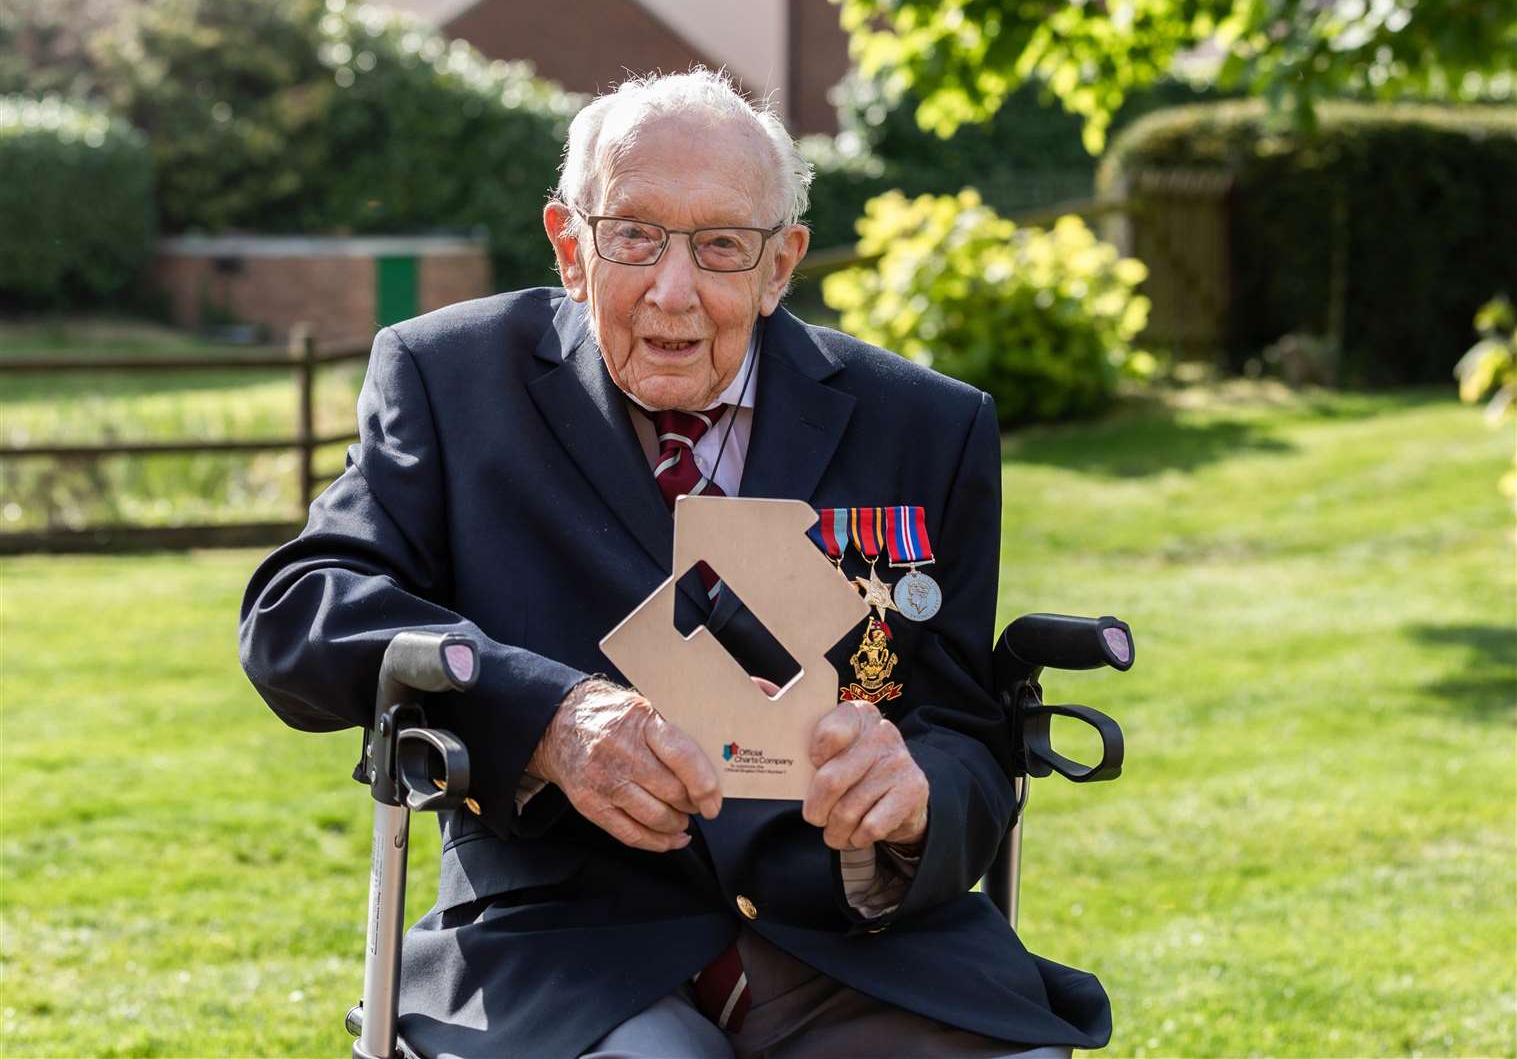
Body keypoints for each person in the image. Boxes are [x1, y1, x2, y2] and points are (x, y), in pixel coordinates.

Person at [239, 69, 1110, 1058]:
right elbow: (300, 609)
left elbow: (963, 725)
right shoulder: (448, 379)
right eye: (634, 236)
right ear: (570, 245)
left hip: (861, 953)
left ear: (780, 264)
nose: (672, 290)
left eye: (720, 248)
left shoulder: (927, 424)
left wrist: (913, 797)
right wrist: (550, 721)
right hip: (564, 954)